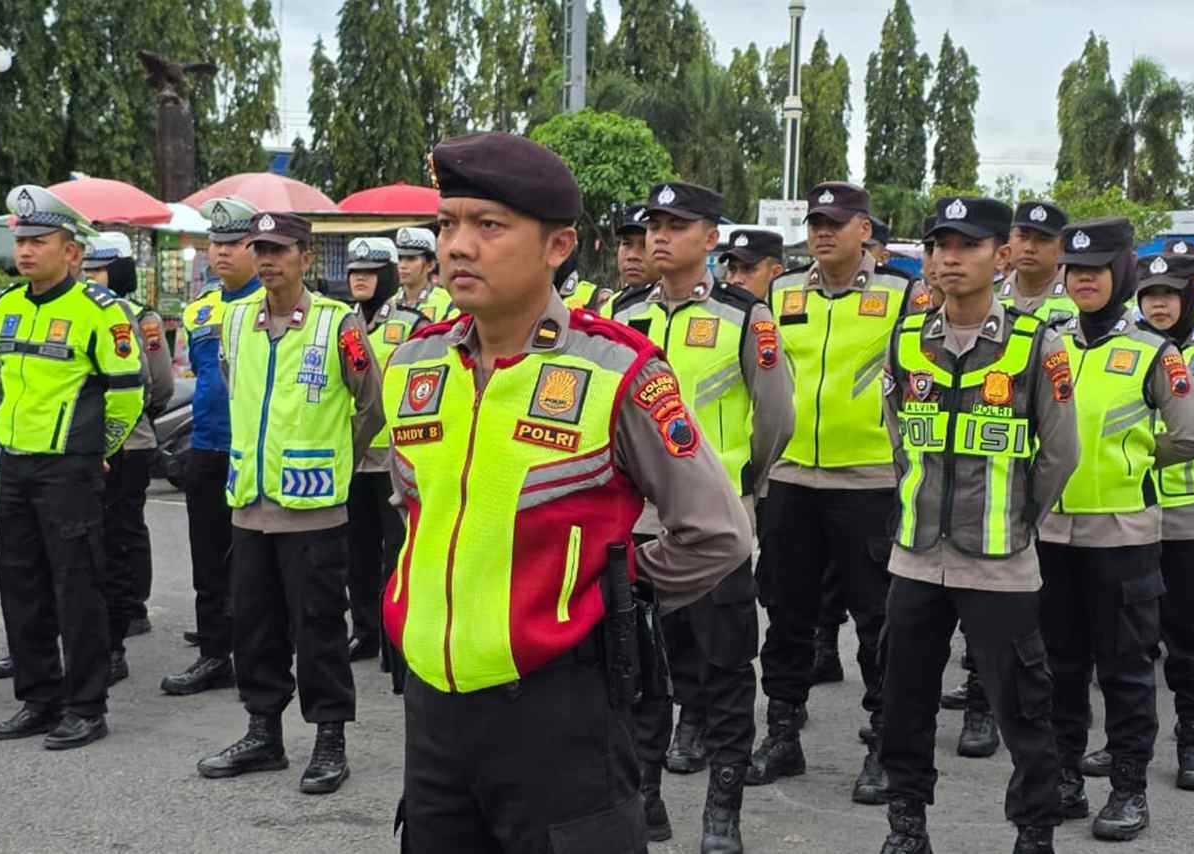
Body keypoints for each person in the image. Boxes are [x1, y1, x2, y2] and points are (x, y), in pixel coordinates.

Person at [387, 132, 749, 854]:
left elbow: (718, 532)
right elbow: (416, 514)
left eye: (488, 226)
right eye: (447, 224)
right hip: (433, 712)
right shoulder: (414, 361)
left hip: (561, 710)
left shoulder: (618, 371)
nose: (459, 246)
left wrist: (614, 589)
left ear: (558, 247)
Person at [876, 196, 1077, 854]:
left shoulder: (1035, 344)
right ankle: (907, 826)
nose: (948, 258)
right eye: (938, 245)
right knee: (905, 702)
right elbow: (899, 438)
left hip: (1000, 561)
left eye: (966, 245)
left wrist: (1018, 519)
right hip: (915, 558)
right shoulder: (907, 339)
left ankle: (1034, 831)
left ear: (1001, 255)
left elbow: (1059, 454)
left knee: (1023, 706)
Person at [610, 180, 795, 849]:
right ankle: (646, 797)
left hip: (715, 531)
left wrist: (740, 486)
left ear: (711, 238)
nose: (658, 236)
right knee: (640, 671)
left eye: (676, 225)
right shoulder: (622, 312)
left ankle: (722, 812)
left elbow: (775, 418)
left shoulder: (747, 317)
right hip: (637, 524)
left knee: (723, 670)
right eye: (653, 223)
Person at [196, 212, 382, 796]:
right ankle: (263, 732)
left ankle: (330, 738)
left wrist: (335, 461)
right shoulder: (234, 323)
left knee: (319, 626)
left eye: (279, 249)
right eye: (260, 248)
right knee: (254, 624)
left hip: (315, 510)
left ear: (306, 255)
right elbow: (237, 389)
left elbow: (371, 408)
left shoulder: (337, 325)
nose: (267, 259)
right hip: (250, 506)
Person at [754, 182, 928, 801]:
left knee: (879, 619)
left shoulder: (904, 294)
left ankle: (884, 739)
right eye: (814, 222)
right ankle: (782, 732)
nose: (822, 232)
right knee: (787, 611)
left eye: (835, 222)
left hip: (871, 481)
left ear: (864, 230)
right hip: (794, 477)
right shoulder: (780, 291)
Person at [1038, 217, 1194, 842]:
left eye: (1096, 271)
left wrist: (1131, 458)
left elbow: (1189, 436)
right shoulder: (1046, 343)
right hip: (1052, 533)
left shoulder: (1153, 352)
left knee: (1126, 670)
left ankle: (1129, 790)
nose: (1083, 280)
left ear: (1123, 275)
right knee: (1058, 664)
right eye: (1075, 271)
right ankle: (1065, 780)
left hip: (1123, 536)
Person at [0, 185, 144, 749]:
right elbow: (5, 379)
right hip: (14, 465)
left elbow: (129, 393)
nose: (26, 251)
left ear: (72, 252)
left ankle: (85, 705)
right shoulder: (5, 307)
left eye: (39, 240)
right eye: (21, 240)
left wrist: (99, 449)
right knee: (22, 585)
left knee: (77, 588)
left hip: (69, 470)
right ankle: (38, 698)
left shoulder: (101, 312)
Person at [161, 196, 262, 695]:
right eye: (215, 243)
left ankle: (257, 652)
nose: (222, 252)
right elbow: (194, 375)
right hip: (207, 446)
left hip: (257, 450)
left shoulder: (274, 305)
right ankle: (213, 652)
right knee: (207, 558)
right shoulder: (199, 310)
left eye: (233, 243)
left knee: (255, 562)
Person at [1135, 252, 1194, 792]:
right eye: (1149, 294)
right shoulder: (1124, 348)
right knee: (1130, 643)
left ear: (1191, 293)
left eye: (1169, 293)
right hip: (1131, 511)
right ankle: (1129, 748)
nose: (1159, 303)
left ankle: (1193, 742)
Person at [83, 232, 173, 682]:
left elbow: (159, 385)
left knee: (123, 530)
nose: (92, 278)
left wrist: (134, 414)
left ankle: (131, 608)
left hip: (130, 442)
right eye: (88, 269)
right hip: (86, 444)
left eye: (100, 270)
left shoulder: (142, 318)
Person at [345, 236, 426, 668]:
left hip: (396, 458)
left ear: (387, 277)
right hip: (354, 456)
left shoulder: (412, 324)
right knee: (357, 551)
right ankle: (364, 631)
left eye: (370, 272)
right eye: (355, 272)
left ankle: (398, 631)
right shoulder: (341, 323)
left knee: (397, 549)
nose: (360, 279)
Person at [999, 202, 1076, 327]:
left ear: (1062, 247)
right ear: (1009, 241)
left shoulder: (1079, 295)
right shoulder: (990, 298)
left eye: (1042, 239)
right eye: (1023, 237)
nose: (1029, 248)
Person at [393, 226, 455, 321]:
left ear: (430, 265)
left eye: (411, 259)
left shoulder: (448, 303)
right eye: (399, 258)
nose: (402, 265)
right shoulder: (388, 302)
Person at [722, 228, 785, 302]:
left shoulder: (790, 311)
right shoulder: (715, 310)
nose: (736, 280)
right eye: (732, 269)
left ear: (775, 274)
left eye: (748, 269)